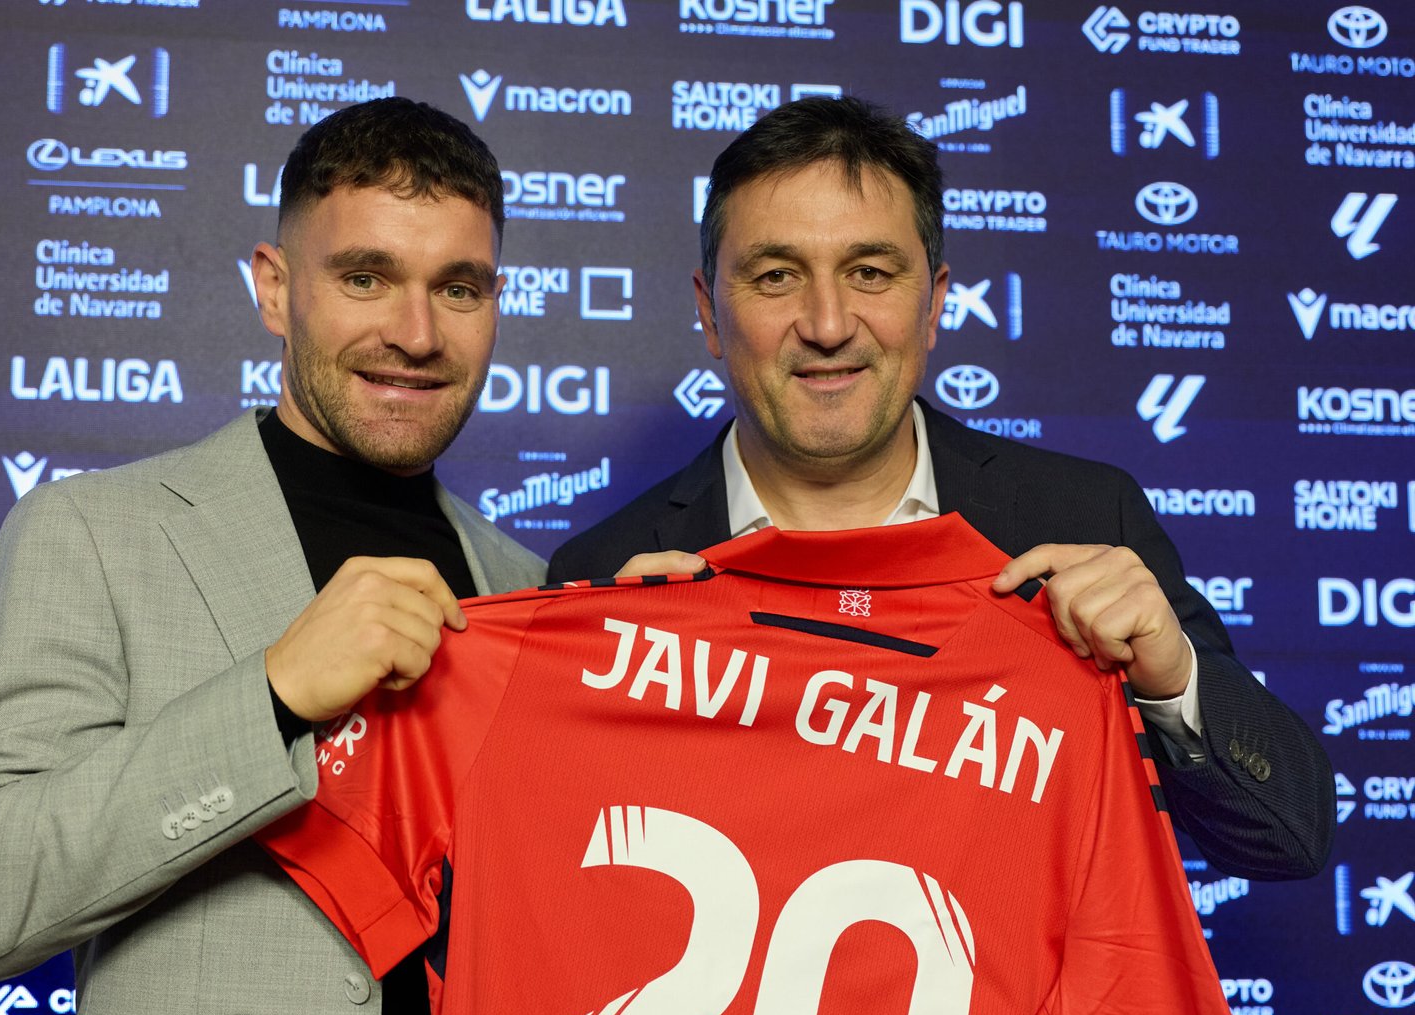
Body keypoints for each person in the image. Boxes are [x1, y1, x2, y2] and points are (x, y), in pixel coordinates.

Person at [549, 95, 1334, 882]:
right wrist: (607, 743)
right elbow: (562, 902)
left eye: (870, 272)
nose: (828, 322)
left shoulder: (1084, 517)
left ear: (935, 303)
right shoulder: (605, 575)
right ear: (710, 314)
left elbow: (1291, 838)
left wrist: (1174, 682)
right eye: (777, 275)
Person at [0, 98, 543, 1015]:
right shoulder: (93, 532)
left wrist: (662, 653)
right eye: (365, 276)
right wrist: (271, 694)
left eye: (458, 288)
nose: (416, 333)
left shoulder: (528, 586)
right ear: (275, 289)